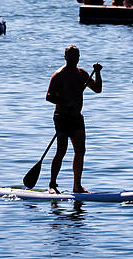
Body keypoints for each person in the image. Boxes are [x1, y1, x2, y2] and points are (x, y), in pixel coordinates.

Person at [46, 45, 103, 194]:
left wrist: (97, 73)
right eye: (70, 55)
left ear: (79, 57)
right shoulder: (59, 75)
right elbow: (49, 96)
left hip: (77, 117)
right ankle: (52, 185)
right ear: (65, 57)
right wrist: (66, 102)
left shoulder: (82, 74)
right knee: (61, 151)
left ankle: (77, 186)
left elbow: (97, 89)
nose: (73, 58)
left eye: (76, 56)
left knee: (80, 151)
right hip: (62, 117)